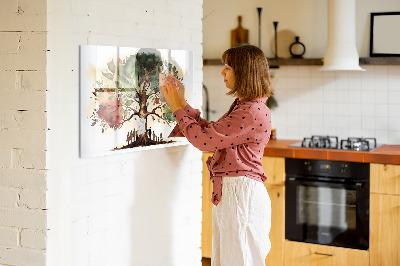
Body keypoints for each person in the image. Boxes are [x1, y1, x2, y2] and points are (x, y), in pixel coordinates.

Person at [161, 44, 273, 266]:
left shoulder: (250, 111)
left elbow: (204, 141)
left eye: (228, 67)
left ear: (244, 72)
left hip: (241, 195)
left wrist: (176, 108)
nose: (222, 72)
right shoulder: (246, 106)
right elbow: (212, 133)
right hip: (236, 193)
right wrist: (182, 104)